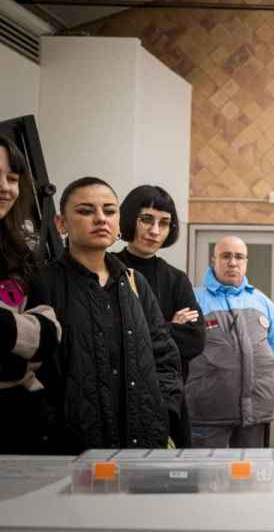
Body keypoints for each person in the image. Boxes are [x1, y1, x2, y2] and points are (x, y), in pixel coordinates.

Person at [28, 176, 182, 451]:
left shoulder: (135, 283)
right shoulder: (43, 283)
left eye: (109, 211)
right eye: (86, 211)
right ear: (61, 224)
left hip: (140, 443)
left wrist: (164, 411)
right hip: (72, 450)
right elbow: (35, 372)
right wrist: (51, 428)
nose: (100, 218)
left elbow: (165, 357)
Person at [115, 185, 205, 447]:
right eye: (146, 219)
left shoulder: (176, 279)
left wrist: (139, 332)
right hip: (116, 398)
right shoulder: (109, 268)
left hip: (166, 399)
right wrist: (168, 327)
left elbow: (194, 340)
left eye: (164, 223)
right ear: (129, 218)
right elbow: (107, 337)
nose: (155, 231)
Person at [0, 134, 62, 453]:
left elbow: (50, 334)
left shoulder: (21, 254)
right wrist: (21, 333)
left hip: (20, 419)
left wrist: (7, 330)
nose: (6, 188)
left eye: (12, 178)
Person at [188, 236, 274, 448]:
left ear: (246, 262)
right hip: (208, 413)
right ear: (214, 260)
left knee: (250, 475)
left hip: (256, 412)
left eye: (239, 257)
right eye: (226, 256)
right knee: (208, 477)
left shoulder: (263, 302)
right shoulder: (194, 299)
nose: (233, 262)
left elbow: (272, 347)